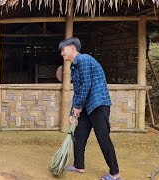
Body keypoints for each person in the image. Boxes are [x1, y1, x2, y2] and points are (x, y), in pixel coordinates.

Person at [58, 37, 121, 180]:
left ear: (73, 48)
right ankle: (78, 165)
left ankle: (115, 173)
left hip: (98, 104)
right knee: (79, 135)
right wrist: (72, 112)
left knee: (103, 138)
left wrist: (78, 107)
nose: (62, 53)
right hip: (86, 105)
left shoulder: (84, 60)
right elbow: (78, 90)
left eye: (63, 49)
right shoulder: (74, 67)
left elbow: (86, 85)